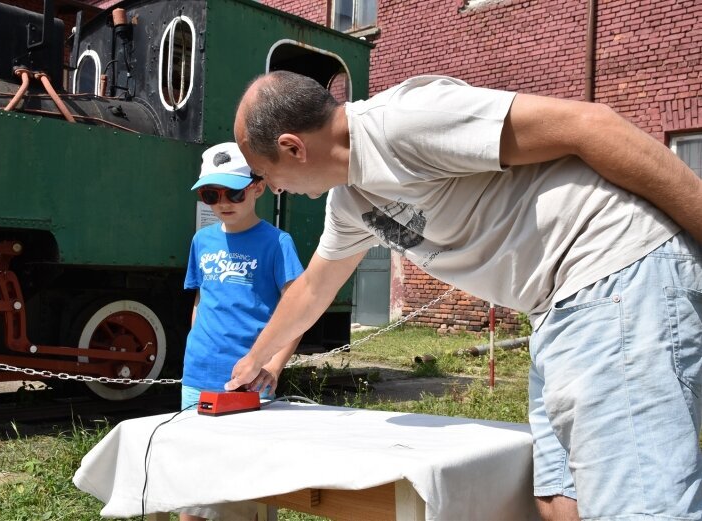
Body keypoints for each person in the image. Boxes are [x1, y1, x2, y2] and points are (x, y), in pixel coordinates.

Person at [225, 71, 702, 521]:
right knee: (560, 499)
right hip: (554, 308)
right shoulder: (350, 202)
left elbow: (591, 125)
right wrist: (256, 359)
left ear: (292, 148)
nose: (269, 189)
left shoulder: (403, 122)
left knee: (638, 504)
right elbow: (311, 290)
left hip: (613, 275)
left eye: (268, 175)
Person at [180, 141, 304, 521]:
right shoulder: (202, 241)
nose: (222, 202)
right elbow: (201, 301)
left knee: (245, 484)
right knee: (191, 483)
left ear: (257, 187)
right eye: (210, 194)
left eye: (233, 191)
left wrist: (276, 367)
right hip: (197, 377)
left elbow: (295, 310)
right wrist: (193, 344)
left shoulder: (277, 242)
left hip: (250, 383)